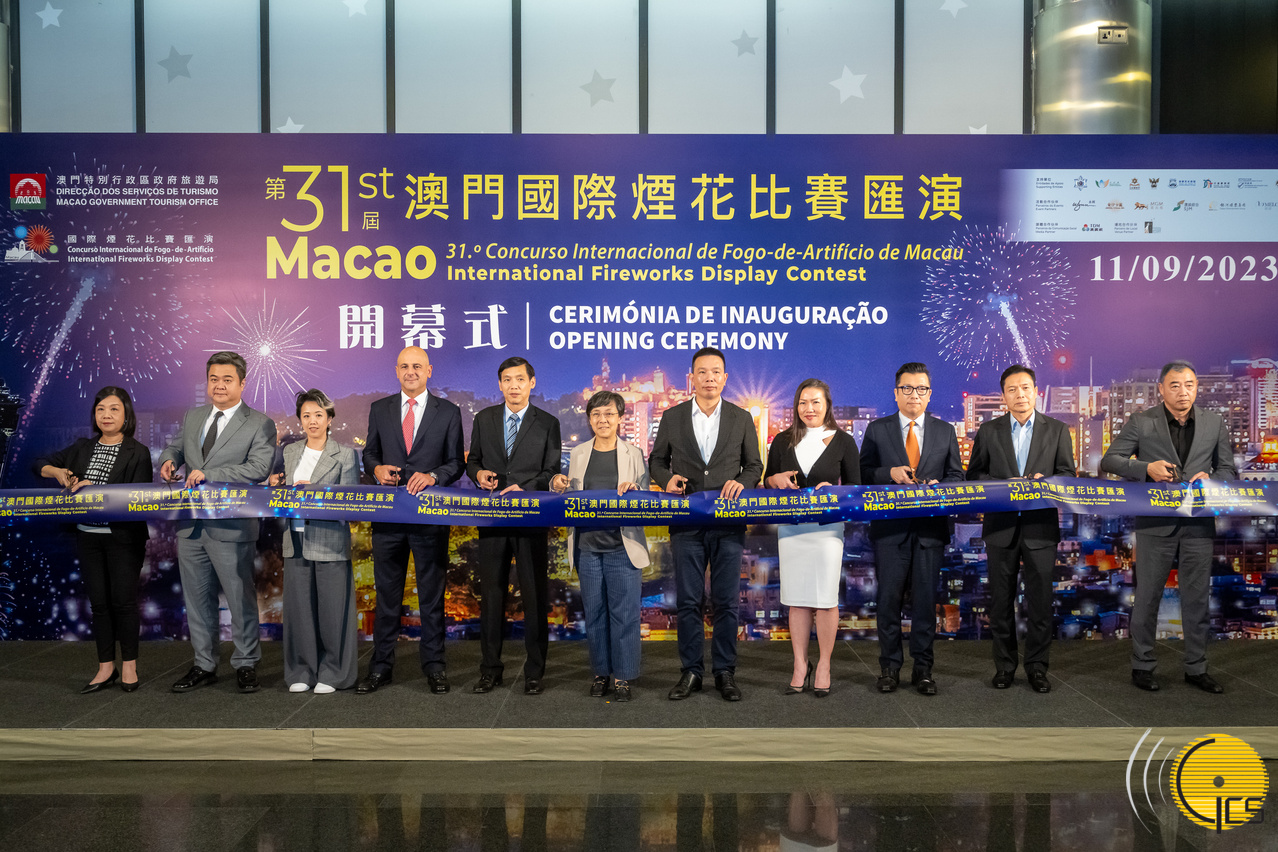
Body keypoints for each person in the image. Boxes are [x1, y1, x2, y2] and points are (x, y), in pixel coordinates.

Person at [1101, 360, 1236, 693]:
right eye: (1175, 385)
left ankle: (1196, 668)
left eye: (1189, 385)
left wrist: (1212, 479)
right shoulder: (1142, 421)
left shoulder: (1214, 423)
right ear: (1161, 389)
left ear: (1197, 388)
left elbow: (1229, 471)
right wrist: (1147, 469)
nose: (1183, 392)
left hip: (1198, 524)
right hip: (1155, 524)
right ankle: (1142, 666)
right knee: (1147, 598)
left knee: (1197, 600)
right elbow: (1110, 460)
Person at [650, 346, 763, 702]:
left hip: (728, 521)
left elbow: (754, 465)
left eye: (716, 372)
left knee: (727, 601)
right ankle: (691, 672)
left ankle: (725, 672)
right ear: (692, 378)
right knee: (689, 600)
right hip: (686, 520)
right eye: (702, 372)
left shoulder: (741, 418)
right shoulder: (673, 417)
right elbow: (656, 461)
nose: (709, 378)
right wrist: (666, 479)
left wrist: (743, 483)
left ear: (725, 378)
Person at [159, 351, 275, 693]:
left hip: (232, 526)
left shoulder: (259, 423)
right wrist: (168, 460)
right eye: (213, 379)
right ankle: (204, 664)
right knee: (197, 601)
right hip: (190, 525)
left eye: (227, 379)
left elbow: (259, 468)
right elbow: (175, 448)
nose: (219, 385)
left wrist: (211, 474)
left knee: (240, 599)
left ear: (242, 383)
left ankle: (246, 663)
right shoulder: (193, 416)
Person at [357, 346, 464, 695]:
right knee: (387, 598)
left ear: (429, 371)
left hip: (430, 518)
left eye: (417, 366)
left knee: (431, 598)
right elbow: (369, 453)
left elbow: (456, 463)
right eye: (404, 366)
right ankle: (380, 667)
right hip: (388, 518)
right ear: (396, 370)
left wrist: (433, 476)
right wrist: (376, 468)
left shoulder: (449, 412)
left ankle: (435, 667)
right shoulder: (380, 409)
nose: (411, 372)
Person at [35, 387, 153, 693]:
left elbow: (137, 498)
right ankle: (105, 668)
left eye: (114, 409)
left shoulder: (138, 451)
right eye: (101, 409)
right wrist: (57, 472)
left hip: (123, 538)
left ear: (126, 415)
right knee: (99, 605)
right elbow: (39, 463)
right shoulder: (82, 447)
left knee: (123, 602)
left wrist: (95, 491)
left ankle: (130, 667)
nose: (106, 415)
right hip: (87, 536)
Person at [967, 364, 1076, 694]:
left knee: (1040, 603)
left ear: (1036, 392)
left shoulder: (1057, 430)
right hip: (1000, 528)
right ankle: (1004, 667)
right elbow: (974, 477)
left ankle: (1037, 667)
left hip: (1040, 528)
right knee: (1001, 603)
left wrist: (1047, 482)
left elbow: (1068, 476)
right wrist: (1004, 485)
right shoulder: (989, 431)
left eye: (1025, 388)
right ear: (1003, 396)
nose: (1020, 395)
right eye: (1012, 389)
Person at [859, 362, 964, 696]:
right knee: (888, 602)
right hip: (890, 530)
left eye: (921, 389)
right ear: (896, 393)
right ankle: (889, 668)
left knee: (925, 603)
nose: (914, 395)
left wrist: (940, 487)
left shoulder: (945, 431)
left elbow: (957, 476)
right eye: (907, 388)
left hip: (930, 531)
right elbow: (862, 473)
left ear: (929, 394)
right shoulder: (877, 429)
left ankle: (923, 670)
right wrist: (889, 473)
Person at [466, 356, 562, 695]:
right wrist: (478, 474)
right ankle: (490, 669)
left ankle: (534, 672)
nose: (514, 386)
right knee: (491, 595)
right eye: (507, 379)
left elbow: (551, 472)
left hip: (530, 518)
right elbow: (473, 461)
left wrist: (527, 487)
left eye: (520, 379)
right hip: (492, 518)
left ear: (531, 383)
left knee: (534, 596)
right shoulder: (485, 419)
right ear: (500, 384)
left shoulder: (548, 422)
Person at [550, 391, 650, 702]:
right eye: (596, 414)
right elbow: (567, 494)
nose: (602, 420)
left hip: (623, 546)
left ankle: (623, 677)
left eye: (609, 414)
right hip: (587, 547)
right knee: (594, 614)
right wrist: (556, 483)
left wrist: (635, 489)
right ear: (589, 419)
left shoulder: (634, 453)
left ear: (620, 418)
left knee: (625, 615)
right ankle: (600, 673)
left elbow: (647, 496)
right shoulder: (578, 453)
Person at [763, 378, 860, 697]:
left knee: (825, 599)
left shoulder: (844, 442)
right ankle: (800, 664)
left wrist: (837, 491)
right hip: (792, 528)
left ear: (827, 405)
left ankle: (824, 665)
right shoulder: (781, 441)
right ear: (796, 406)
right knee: (797, 599)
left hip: (827, 529)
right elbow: (766, 480)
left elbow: (856, 489)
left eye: (816, 402)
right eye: (803, 402)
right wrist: (775, 480)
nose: (809, 408)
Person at [268, 389, 360, 693]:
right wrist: (274, 484)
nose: (312, 421)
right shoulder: (289, 452)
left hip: (330, 539)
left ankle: (334, 673)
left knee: (333, 613)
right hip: (294, 540)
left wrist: (316, 493)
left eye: (319, 415)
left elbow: (350, 504)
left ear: (330, 418)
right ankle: (301, 671)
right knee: (299, 613)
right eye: (306, 415)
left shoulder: (345, 454)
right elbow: (275, 491)